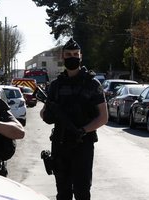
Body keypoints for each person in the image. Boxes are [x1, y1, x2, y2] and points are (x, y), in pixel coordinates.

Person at [40, 38, 108, 200]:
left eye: (75, 54)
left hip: (82, 144)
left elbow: (103, 117)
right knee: (62, 193)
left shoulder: (92, 84)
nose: (72, 57)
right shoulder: (56, 85)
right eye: (69, 54)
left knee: (82, 192)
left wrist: (83, 130)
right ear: (63, 57)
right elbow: (44, 113)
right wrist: (49, 112)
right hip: (60, 143)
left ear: (81, 57)